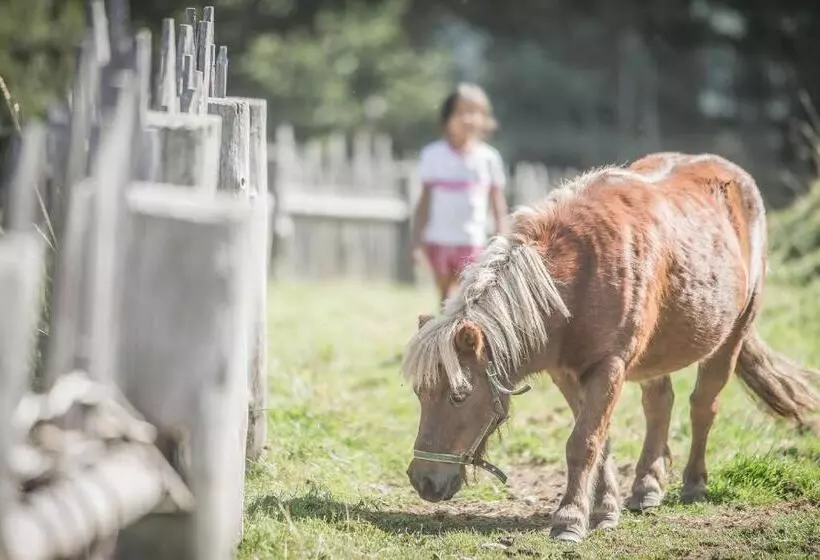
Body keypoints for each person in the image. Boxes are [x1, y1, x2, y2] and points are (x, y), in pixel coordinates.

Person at [411, 83, 509, 308]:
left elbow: (497, 204)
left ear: (485, 119)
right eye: (462, 112)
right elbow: (424, 202)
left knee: (470, 299)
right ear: (447, 118)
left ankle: (466, 341)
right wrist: (417, 239)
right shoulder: (433, 156)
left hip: (473, 242)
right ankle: (443, 340)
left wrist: (503, 239)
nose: (469, 119)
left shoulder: (488, 159)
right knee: (445, 300)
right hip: (440, 241)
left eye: (476, 113)